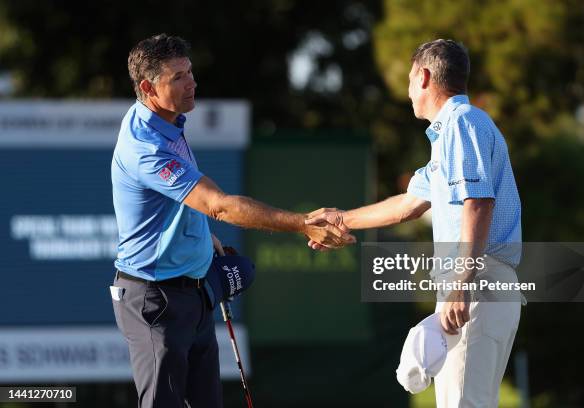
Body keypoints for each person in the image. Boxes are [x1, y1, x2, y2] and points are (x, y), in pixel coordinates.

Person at [110, 33, 355, 408]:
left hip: (196, 293)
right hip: (154, 301)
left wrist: (201, 239)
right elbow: (219, 205)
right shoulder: (145, 146)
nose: (192, 82)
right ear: (147, 88)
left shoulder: (169, 118)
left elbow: (176, 205)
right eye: (177, 77)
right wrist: (304, 223)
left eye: (189, 71)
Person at [306, 39, 523, 407]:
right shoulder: (450, 134)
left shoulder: (461, 123)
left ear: (423, 77)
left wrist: (460, 283)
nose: (407, 91)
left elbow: (478, 204)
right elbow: (407, 204)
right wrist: (340, 219)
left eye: (409, 80)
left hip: (476, 283)